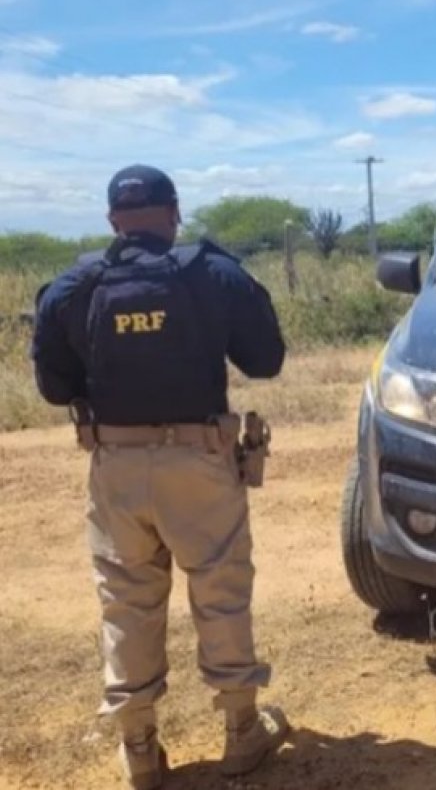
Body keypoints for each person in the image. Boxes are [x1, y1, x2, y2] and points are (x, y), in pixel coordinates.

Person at [30, 165, 290, 789]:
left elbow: (53, 387)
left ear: (112, 222)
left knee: (126, 602)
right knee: (220, 588)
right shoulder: (212, 272)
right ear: (174, 213)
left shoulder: (75, 285)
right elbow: (266, 360)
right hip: (200, 459)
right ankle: (240, 733)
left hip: (115, 466)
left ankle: (139, 748)